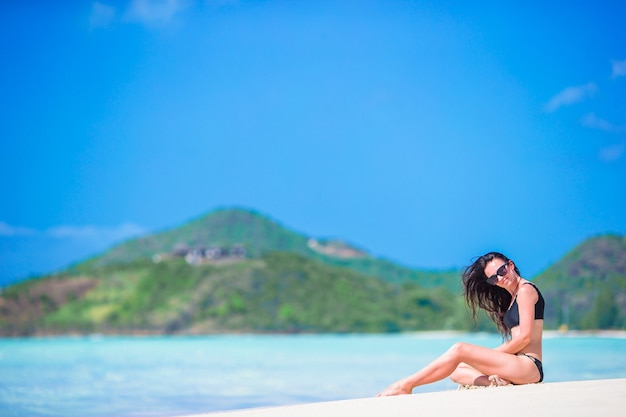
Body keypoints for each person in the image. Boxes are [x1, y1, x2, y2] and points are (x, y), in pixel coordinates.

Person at [377, 252, 545, 396]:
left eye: (502, 270)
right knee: (457, 369)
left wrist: (489, 354)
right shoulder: (513, 296)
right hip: (517, 365)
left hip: (528, 365)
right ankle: (497, 382)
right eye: (494, 278)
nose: (501, 278)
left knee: (459, 349)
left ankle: (406, 385)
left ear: (510, 265)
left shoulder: (525, 290)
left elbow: (524, 338)